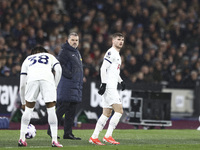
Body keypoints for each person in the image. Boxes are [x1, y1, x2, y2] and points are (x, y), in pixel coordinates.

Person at [18, 46, 63, 147]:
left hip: (32, 79)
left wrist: (23, 102)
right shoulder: (50, 56)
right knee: (51, 110)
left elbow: (22, 85)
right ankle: (54, 140)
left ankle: (21, 139)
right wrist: (55, 85)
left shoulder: (27, 59)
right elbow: (59, 70)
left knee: (28, 110)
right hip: (47, 79)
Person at [89, 33, 126, 145]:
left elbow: (113, 71)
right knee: (119, 111)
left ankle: (94, 137)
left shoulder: (117, 54)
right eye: (118, 39)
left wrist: (121, 81)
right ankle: (108, 136)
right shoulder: (111, 52)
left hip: (111, 85)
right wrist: (104, 84)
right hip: (109, 86)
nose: (121, 41)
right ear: (113, 40)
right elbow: (103, 68)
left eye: (122, 40)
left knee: (106, 113)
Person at [47, 32, 83, 140]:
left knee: (71, 111)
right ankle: (51, 130)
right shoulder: (65, 51)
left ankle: (68, 133)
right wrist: (70, 75)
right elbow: (59, 64)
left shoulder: (76, 52)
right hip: (67, 85)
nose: (75, 42)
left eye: (76, 40)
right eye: (72, 40)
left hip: (75, 86)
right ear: (67, 40)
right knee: (62, 109)